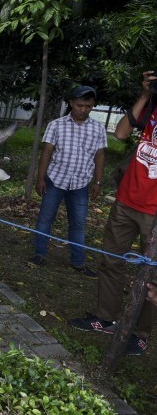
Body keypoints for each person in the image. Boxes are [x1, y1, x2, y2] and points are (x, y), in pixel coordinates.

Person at [70, 71, 157, 356]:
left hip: (154, 211)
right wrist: (145, 95)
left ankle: (140, 334)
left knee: (151, 274)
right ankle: (104, 318)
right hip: (126, 200)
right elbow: (121, 133)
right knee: (110, 260)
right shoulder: (152, 107)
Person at [28, 85, 106, 277]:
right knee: (46, 218)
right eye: (80, 105)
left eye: (88, 106)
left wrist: (97, 182)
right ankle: (40, 253)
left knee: (78, 224)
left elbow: (100, 156)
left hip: (81, 183)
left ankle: (78, 262)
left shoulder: (97, 128)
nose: (83, 110)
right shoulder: (56, 125)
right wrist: (40, 178)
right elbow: (46, 152)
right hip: (55, 180)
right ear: (71, 103)